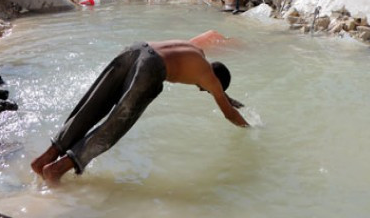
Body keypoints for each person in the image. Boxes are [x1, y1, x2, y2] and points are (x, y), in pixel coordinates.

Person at [31, 32, 249, 184]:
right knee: (114, 125)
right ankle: (57, 170)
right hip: (151, 68)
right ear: (215, 82)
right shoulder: (209, 78)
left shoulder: (197, 52)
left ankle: (45, 158)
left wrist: (224, 95)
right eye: (206, 90)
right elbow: (228, 113)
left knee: (92, 107)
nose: (202, 90)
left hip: (136, 50)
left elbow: (214, 86)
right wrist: (249, 128)